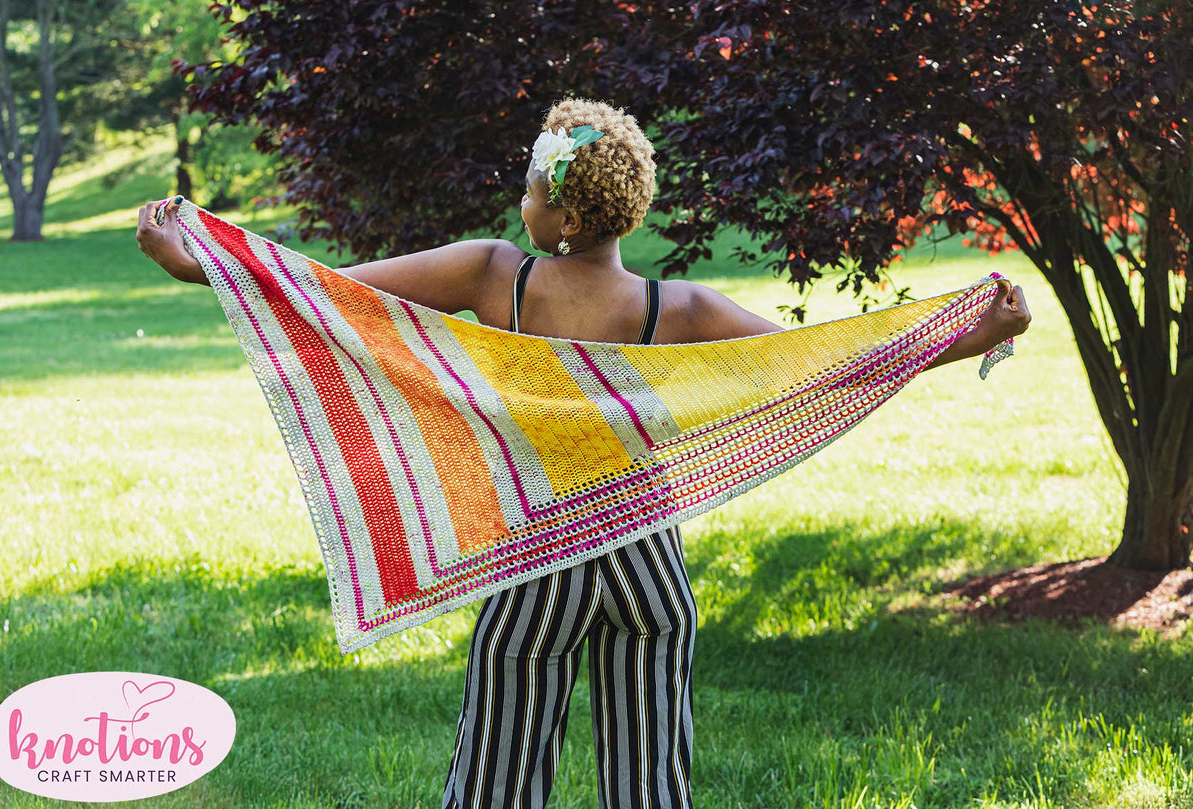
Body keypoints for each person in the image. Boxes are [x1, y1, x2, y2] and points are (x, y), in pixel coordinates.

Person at [137, 97, 1031, 809]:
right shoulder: (678, 310)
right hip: (651, 573)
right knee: (651, 790)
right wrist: (966, 332)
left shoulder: (493, 274)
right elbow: (834, 366)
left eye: (529, 185)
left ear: (560, 210)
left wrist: (198, 262)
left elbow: (328, 296)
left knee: (495, 782)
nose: (519, 199)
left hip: (538, 565)